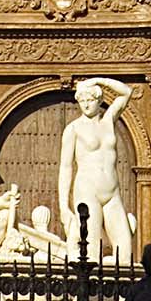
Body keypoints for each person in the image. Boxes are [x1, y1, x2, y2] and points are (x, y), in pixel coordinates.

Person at [58, 74, 134, 261]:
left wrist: (98, 81)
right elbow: (66, 167)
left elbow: (126, 92)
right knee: (91, 250)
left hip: (112, 192)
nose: (85, 105)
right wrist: (63, 206)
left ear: (99, 100)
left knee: (124, 250)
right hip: (87, 191)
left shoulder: (108, 120)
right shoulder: (74, 129)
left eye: (90, 100)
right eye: (82, 100)